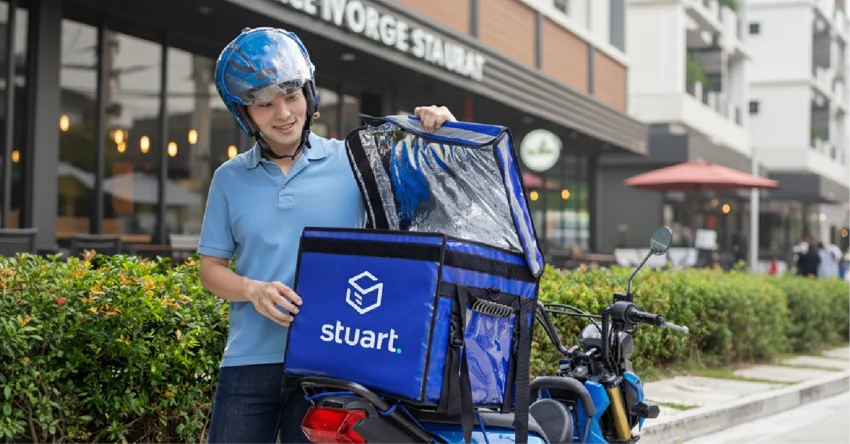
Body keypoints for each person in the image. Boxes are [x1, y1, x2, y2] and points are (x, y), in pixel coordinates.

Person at [196, 27, 457, 443]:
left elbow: (429, 199)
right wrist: (252, 289)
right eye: (264, 104)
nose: (282, 113)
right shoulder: (229, 179)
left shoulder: (354, 161)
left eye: (292, 96)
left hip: (332, 363)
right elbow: (210, 269)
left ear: (310, 96)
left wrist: (440, 134)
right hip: (248, 365)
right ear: (244, 114)